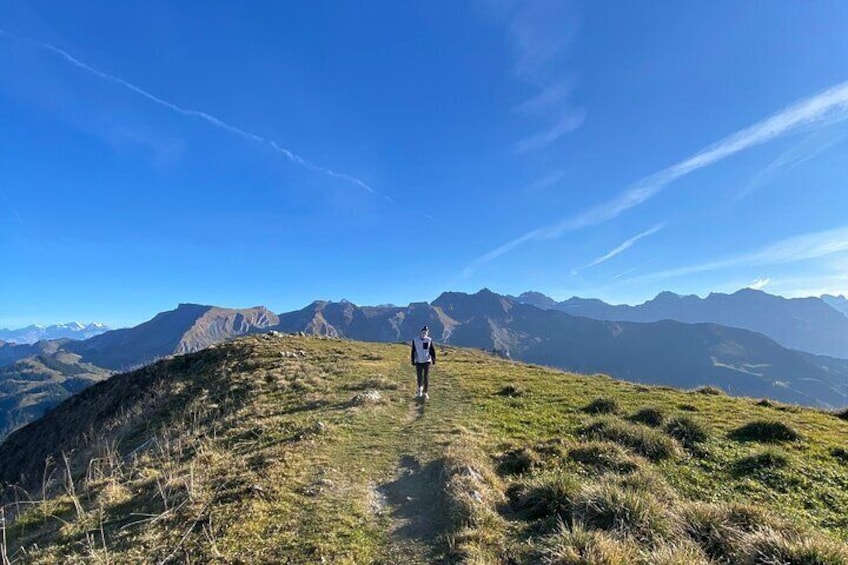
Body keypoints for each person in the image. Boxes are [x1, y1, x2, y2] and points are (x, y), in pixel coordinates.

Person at [411, 326, 436, 400]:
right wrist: (413, 360)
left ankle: (425, 392)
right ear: (421, 332)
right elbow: (413, 351)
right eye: (423, 332)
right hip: (419, 361)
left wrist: (433, 359)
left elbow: (432, 350)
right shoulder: (415, 340)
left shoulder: (429, 340)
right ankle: (420, 390)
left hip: (426, 361)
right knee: (419, 376)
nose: (424, 333)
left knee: (426, 377)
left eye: (426, 332)